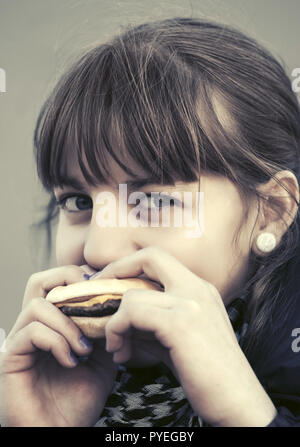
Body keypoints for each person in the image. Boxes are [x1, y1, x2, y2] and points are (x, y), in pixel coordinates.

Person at [1, 16, 300, 427]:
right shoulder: (30, 377)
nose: (97, 249)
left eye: (154, 199)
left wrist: (246, 416)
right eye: (77, 201)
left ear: (272, 212)